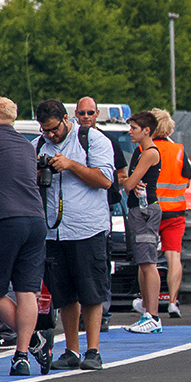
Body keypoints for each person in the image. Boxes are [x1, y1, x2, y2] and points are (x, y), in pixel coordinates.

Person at [36, 99, 114, 371]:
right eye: (45, 130)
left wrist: (70, 165)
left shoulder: (92, 140)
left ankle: (93, 350)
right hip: (53, 232)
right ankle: (71, 350)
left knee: (91, 291)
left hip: (87, 228)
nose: (51, 135)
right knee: (64, 294)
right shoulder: (38, 145)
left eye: (54, 129)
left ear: (66, 119)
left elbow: (105, 180)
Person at [0, 97, 50, 376]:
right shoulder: (27, 146)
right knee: (26, 290)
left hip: (4, 221)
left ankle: (32, 339)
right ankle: (21, 355)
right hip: (36, 220)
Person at [135, 108, 191, 319]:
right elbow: (187, 177)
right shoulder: (179, 149)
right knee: (173, 256)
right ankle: (172, 302)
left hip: (150, 210)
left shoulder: (146, 149)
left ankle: (145, 302)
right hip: (176, 211)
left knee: (146, 259)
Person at [77, 96, 126, 332]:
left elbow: (121, 173)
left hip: (102, 208)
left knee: (101, 261)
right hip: (74, 212)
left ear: (97, 115)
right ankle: (77, 311)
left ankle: (102, 312)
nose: (86, 117)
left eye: (90, 113)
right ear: (76, 115)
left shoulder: (110, 141)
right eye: (82, 113)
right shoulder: (70, 142)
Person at [121, 111, 163, 334]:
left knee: (148, 262)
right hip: (138, 210)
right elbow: (126, 180)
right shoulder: (139, 152)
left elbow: (128, 184)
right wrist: (127, 181)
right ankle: (147, 309)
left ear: (147, 130)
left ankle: (153, 316)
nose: (130, 132)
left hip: (146, 211)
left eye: (134, 128)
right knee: (142, 261)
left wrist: (128, 181)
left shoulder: (149, 153)